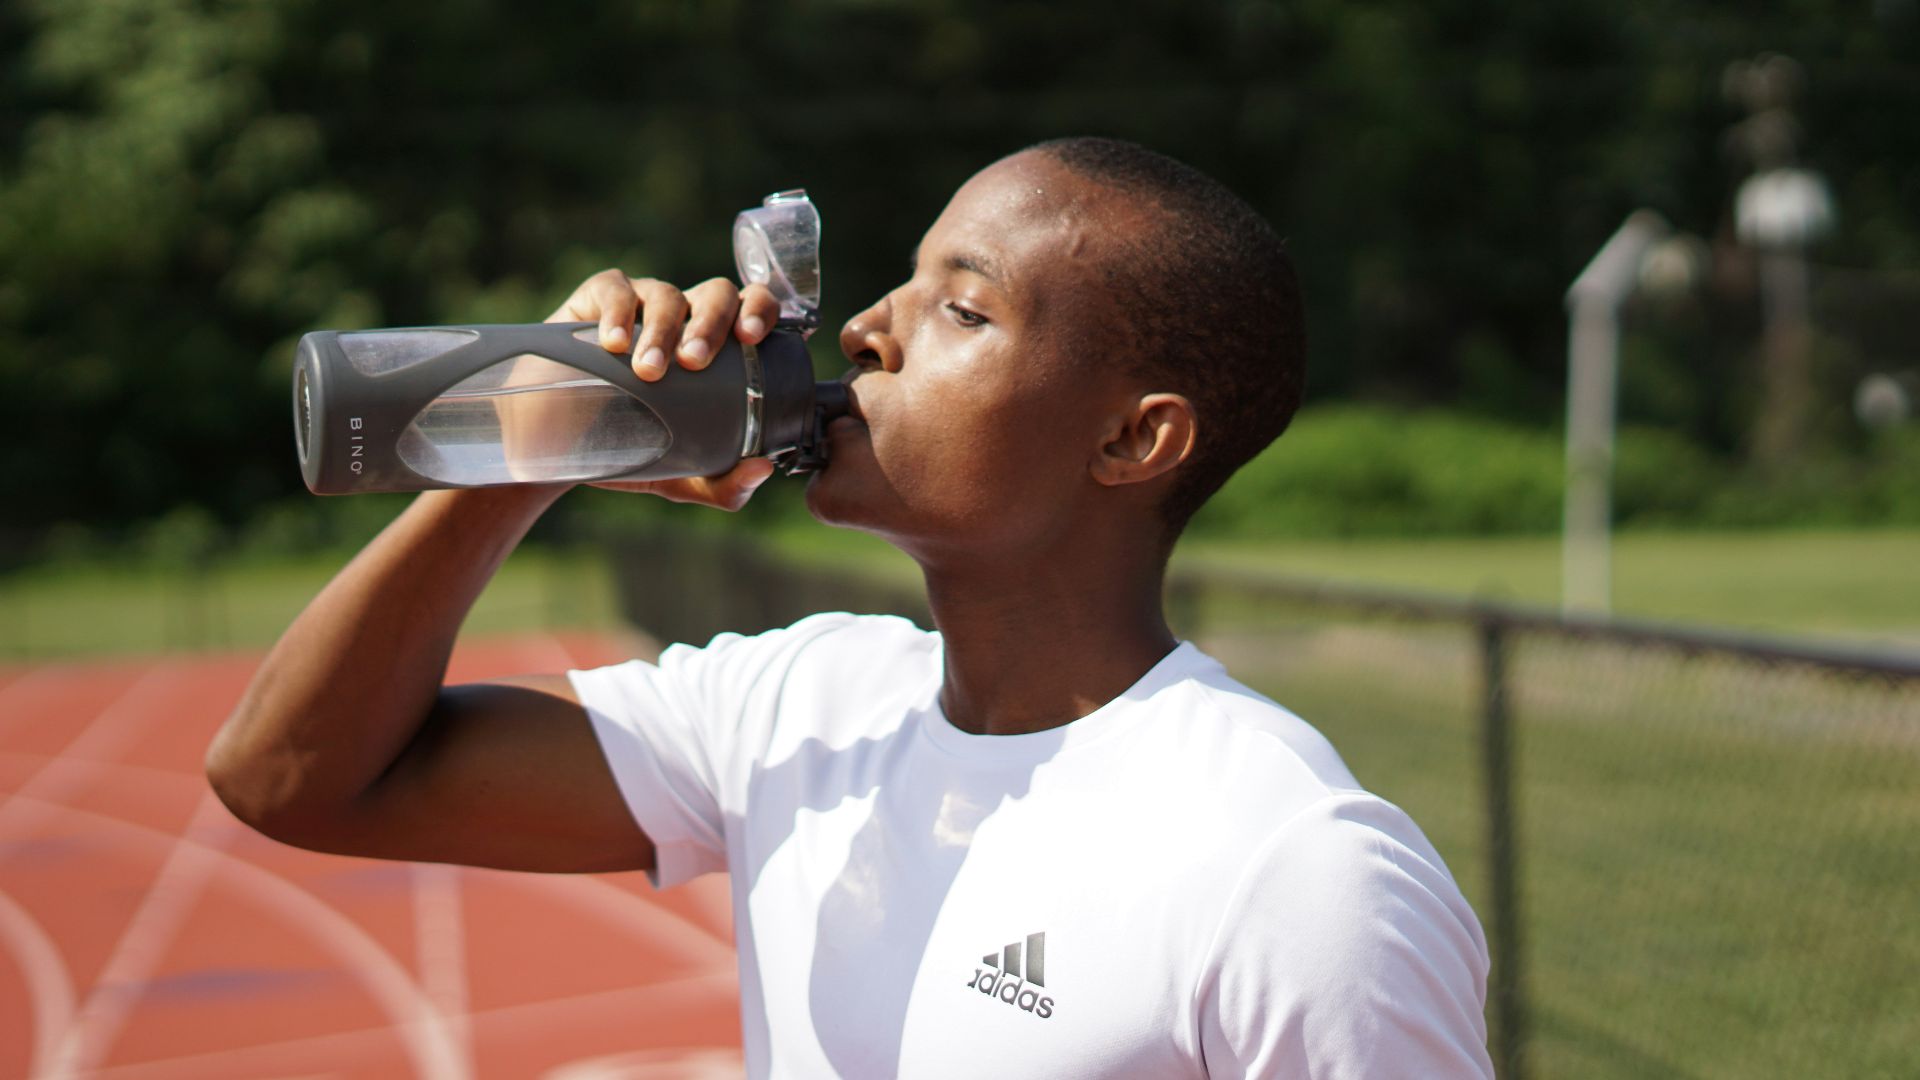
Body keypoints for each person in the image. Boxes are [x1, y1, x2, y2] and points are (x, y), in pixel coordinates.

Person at [207, 136, 1494, 1078]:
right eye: (900, 284)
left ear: (1132, 439)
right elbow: (293, 775)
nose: (870, 331)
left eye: (962, 307)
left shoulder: (1295, 867)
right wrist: (544, 434)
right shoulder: (801, 704)